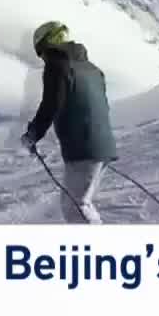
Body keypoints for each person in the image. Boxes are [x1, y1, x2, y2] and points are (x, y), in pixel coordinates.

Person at [24, 20, 118, 223]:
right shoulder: (91, 68)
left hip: (83, 148)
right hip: (100, 144)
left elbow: (51, 103)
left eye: (41, 52)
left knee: (76, 207)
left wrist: (33, 134)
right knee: (77, 204)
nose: (43, 58)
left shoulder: (57, 64)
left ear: (46, 45)